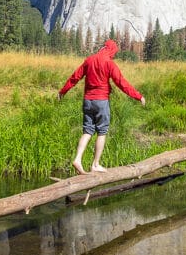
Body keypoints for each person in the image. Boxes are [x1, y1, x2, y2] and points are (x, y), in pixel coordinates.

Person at [58, 39, 145, 174]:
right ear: (112, 50)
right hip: (101, 101)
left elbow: (75, 77)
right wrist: (138, 96)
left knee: (87, 131)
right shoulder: (109, 63)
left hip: (87, 100)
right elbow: (122, 83)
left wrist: (63, 91)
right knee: (102, 132)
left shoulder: (89, 60)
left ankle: (77, 159)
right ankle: (95, 164)